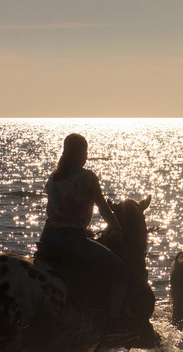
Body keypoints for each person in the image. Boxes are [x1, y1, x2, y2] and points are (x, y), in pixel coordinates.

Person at [39, 133, 135, 338]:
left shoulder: (55, 176)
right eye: (85, 151)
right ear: (81, 153)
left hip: (48, 238)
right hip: (72, 241)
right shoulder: (87, 177)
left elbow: (54, 211)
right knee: (122, 270)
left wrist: (80, 227)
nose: (86, 156)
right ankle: (113, 322)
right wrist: (117, 228)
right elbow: (103, 207)